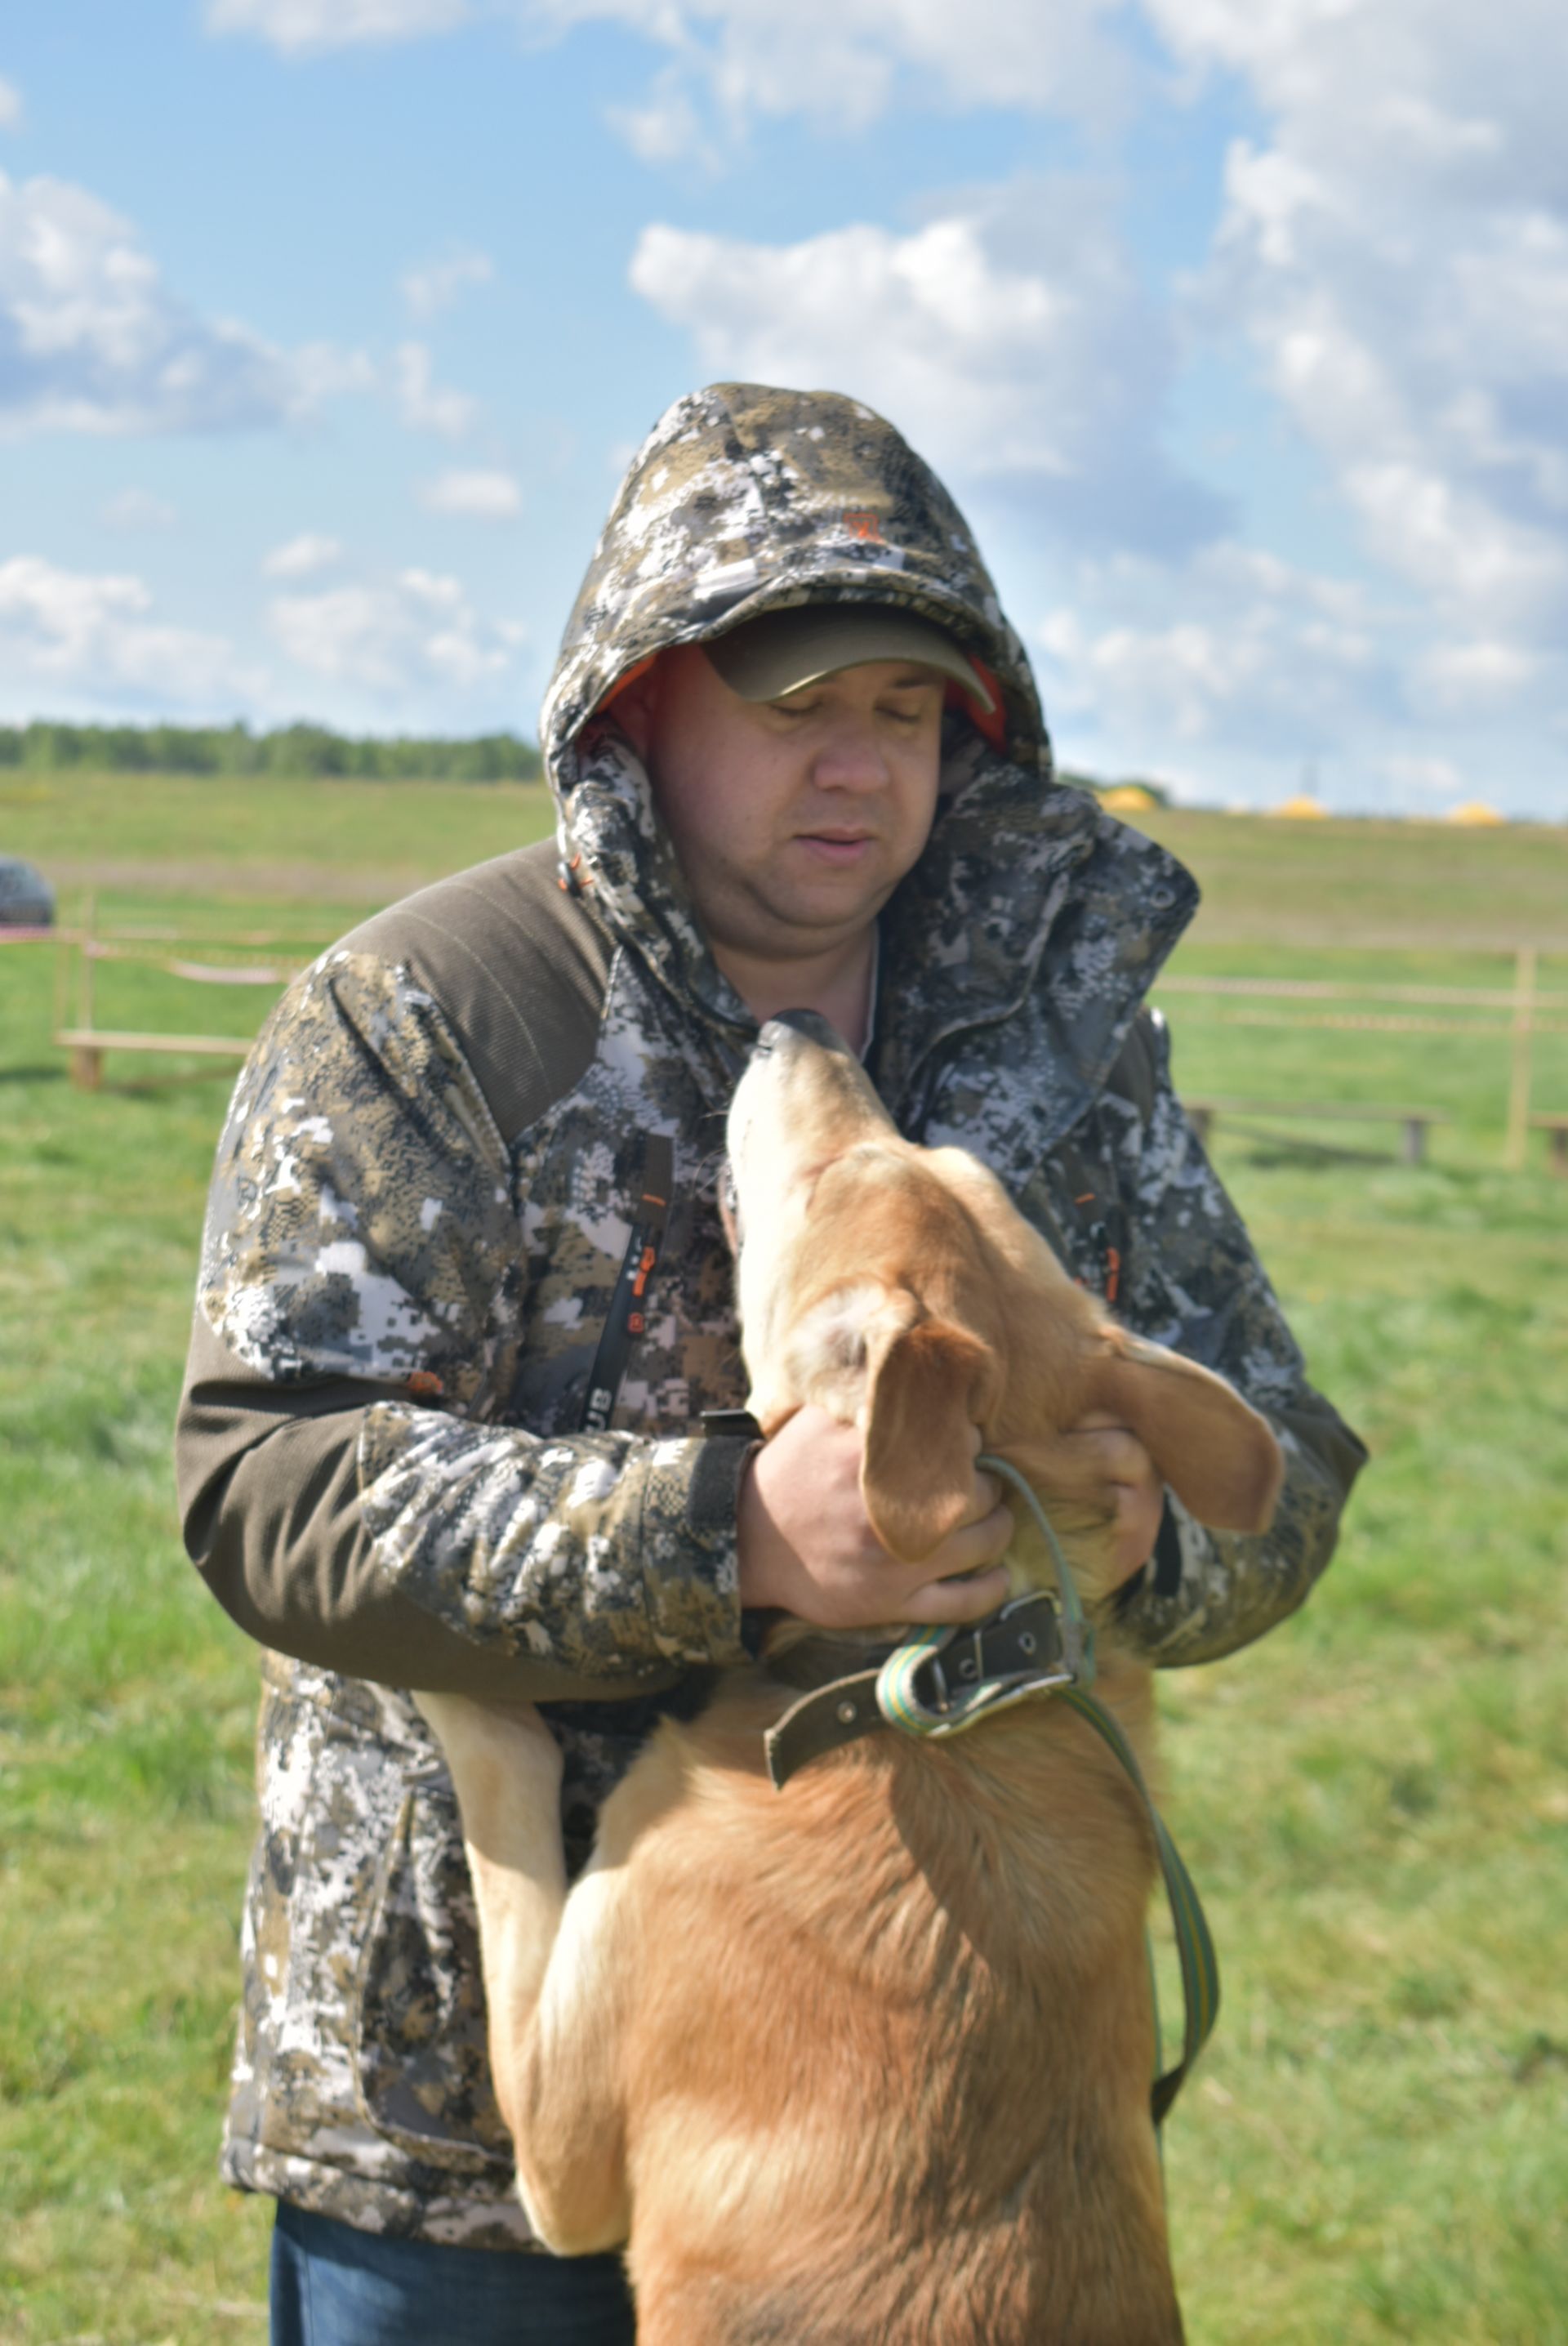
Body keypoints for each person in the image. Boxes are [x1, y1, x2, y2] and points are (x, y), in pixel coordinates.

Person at [176, 381, 1366, 2344]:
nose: (860, 767)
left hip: (915, 2116)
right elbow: (270, 1488)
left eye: (908, 714)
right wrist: (729, 1531)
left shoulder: (1050, 1042)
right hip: (457, 2131)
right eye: (796, 705)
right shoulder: (426, 1018)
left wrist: (1122, 1543)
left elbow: (1282, 1463)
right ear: (640, 707)